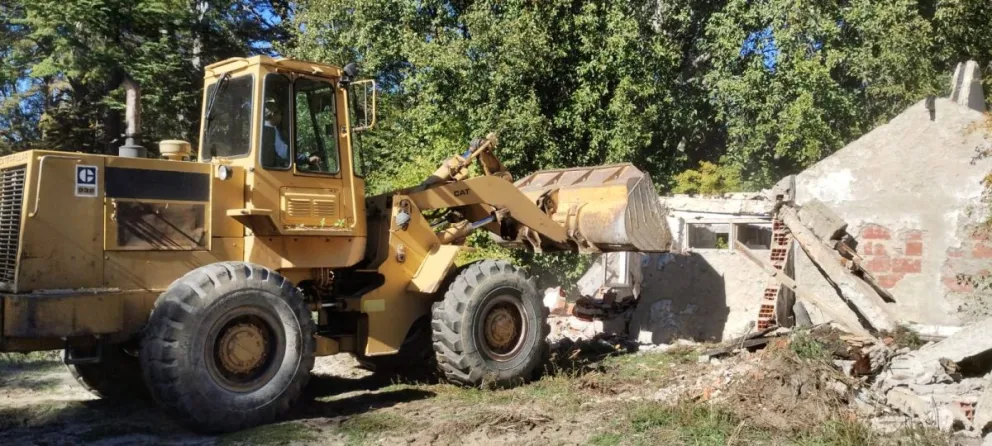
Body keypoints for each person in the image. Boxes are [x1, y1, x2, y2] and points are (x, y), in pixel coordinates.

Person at [261, 98, 322, 169]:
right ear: (273, 114)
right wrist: (307, 159)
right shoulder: (270, 131)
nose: (281, 116)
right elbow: (284, 153)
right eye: (280, 114)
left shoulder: (266, 129)